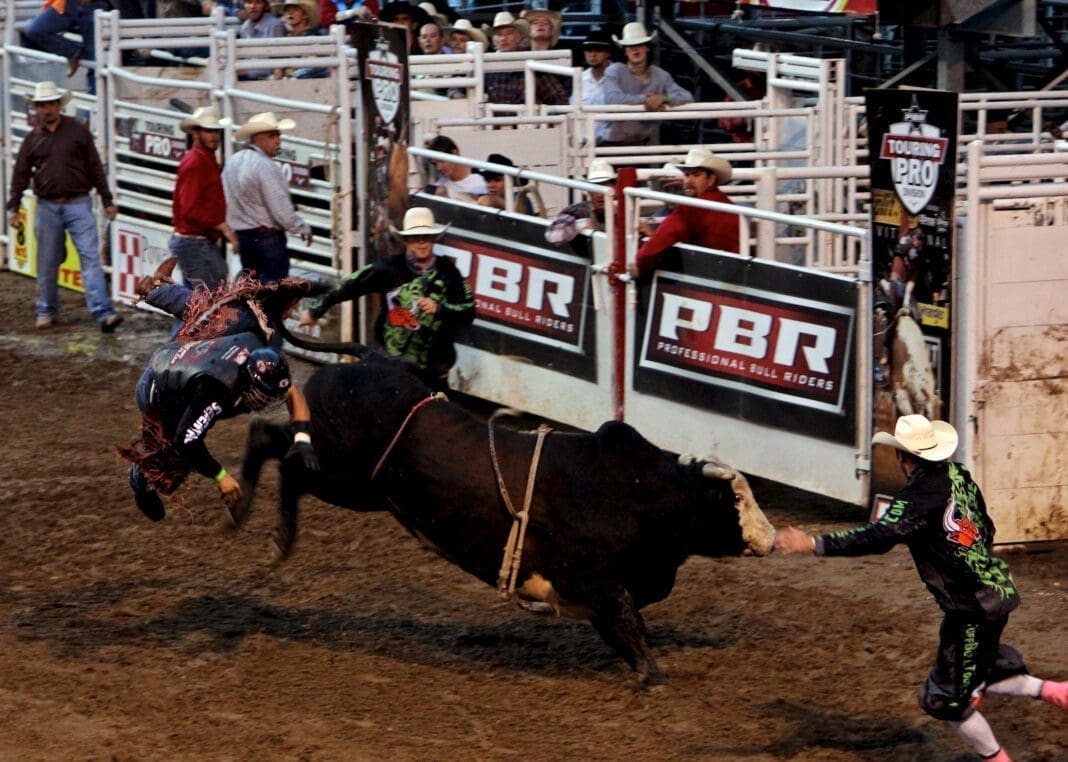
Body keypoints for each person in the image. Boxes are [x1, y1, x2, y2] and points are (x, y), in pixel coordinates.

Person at [774, 414, 1068, 762]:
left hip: (971, 610)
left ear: (903, 457)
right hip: (997, 591)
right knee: (976, 672)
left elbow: (878, 536)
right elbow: (986, 528)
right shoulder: (960, 476)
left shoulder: (916, 498)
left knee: (943, 699)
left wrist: (813, 543)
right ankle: (1056, 692)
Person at [121, 331, 317, 524]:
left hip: (186, 365)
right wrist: (221, 476)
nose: (267, 404)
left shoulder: (261, 356)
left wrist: (302, 438)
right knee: (176, 458)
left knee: (192, 454)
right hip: (158, 391)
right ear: (248, 382)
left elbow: (291, 392)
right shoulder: (218, 389)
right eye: (263, 397)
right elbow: (186, 440)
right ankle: (139, 479)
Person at [299, 206, 475, 387]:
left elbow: (468, 310)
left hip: (433, 367)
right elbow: (349, 284)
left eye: (427, 237)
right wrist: (315, 311)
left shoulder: (448, 272)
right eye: (415, 238)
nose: (422, 242)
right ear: (406, 240)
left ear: (434, 240)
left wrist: (440, 308)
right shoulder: (389, 268)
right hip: (392, 360)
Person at [6, 81, 123, 332]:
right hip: (51, 205)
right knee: (51, 261)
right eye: (42, 105)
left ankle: (102, 311)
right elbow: (20, 175)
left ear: (58, 105)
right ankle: (49, 308)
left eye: (49, 104)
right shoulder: (33, 139)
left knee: (86, 258)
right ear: (37, 108)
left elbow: (94, 166)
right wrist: (13, 206)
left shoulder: (76, 132)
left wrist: (107, 198)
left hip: (76, 202)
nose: (46, 109)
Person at [222, 112, 313, 283]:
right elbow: (280, 208)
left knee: (252, 292)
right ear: (257, 139)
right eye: (272, 136)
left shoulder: (232, 162)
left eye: (278, 135)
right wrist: (301, 227)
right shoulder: (265, 166)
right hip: (268, 240)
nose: (278, 140)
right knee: (272, 294)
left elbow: (225, 199)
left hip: (245, 238)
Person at [632, 147, 738, 278]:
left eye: (696, 174)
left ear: (711, 179)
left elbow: (661, 240)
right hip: (733, 273)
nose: (689, 181)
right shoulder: (725, 203)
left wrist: (638, 264)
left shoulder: (693, 208)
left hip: (711, 275)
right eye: (687, 175)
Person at [170, 106, 239, 291]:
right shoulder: (197, 162)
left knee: (200, 306)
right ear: (195, 133)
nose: (214, 135)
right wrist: (222, 226)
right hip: (195, 242)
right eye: (208, 130)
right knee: (213, 303)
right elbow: (189, 209)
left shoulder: (203, 159)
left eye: (216, 130)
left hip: (194, 241)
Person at [600, 21, 694, 146]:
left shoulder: (660, 75)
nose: (635, 49)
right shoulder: (615, 70)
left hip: (642, 143)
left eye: (639, 44)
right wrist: (647, 100)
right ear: (625, 52)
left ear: (647, 48)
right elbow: (612, 99)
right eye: (630, 46)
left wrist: (664, 97)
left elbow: (687, 96)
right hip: (613, 143)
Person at [21, 0, 111, 93]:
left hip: (96, 6)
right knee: (34, 30)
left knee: (95, 62)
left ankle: (96, 101)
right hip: (67, 3)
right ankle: (74, 52)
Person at [483, 12, 567, 106]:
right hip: (496, 120)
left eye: (509, 33)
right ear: (493, 39)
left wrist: (544, 119)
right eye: (498, 34)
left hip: (527, 119)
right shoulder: (487, 67)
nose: (503, 38)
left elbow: (558, 98)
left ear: (519, 37)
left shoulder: (531, 61)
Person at [545, 158, 616, 244]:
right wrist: (583, 224)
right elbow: (554, 236)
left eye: (605, 187)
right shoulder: (579, 210)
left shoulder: (624, 209)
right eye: (596, 188)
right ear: (589, 191)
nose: (600, 195)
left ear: (614, 189)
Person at [574, 29, 614, 145]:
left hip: (611, 143)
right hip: (582, 143)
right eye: (588, 50)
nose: (592, 54)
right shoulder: (579, 78)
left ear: (608, 52)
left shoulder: (620, 76)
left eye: (598, 50)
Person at [425, 135, 487, 202]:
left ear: (454, 152)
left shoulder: (481, 179)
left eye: (442, 161)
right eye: (435, 164)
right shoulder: (440, 186)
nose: (438, 168)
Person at [274, 0, 327, 77]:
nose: (290, 13)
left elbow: (317, 66)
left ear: (305, 15)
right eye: (287, 10)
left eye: (295, 9)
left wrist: (294, 73)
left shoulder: (314, 37)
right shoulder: (285, 38)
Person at [238, 0, 286, 81]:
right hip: (248, 76)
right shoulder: (244, 27)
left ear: (265, 6)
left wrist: (247, 71)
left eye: (258, 2)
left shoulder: (275, 25)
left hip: (268, 79)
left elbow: (278, 64)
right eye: (249, 2)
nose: (252, 6)